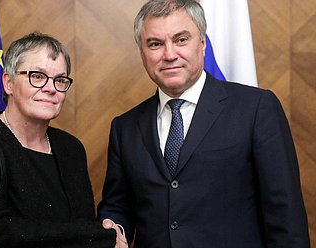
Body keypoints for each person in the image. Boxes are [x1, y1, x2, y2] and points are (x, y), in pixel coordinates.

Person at [97, 0, 310, 247]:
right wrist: (115, 229)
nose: (169, 54)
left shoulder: (256, 108)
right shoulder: (125, 127)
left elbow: (285, 214)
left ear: (202, 43)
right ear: (142, 52)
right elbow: (117, 206)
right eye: (155, 44)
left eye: (181, 40)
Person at [0, 32, 126, 247]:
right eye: (37, 76)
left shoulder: (71, 148)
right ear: (8, 83)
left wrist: (95, 233)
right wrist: (95, 234)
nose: (50, 88)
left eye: (60, 80)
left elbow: (82, 228)